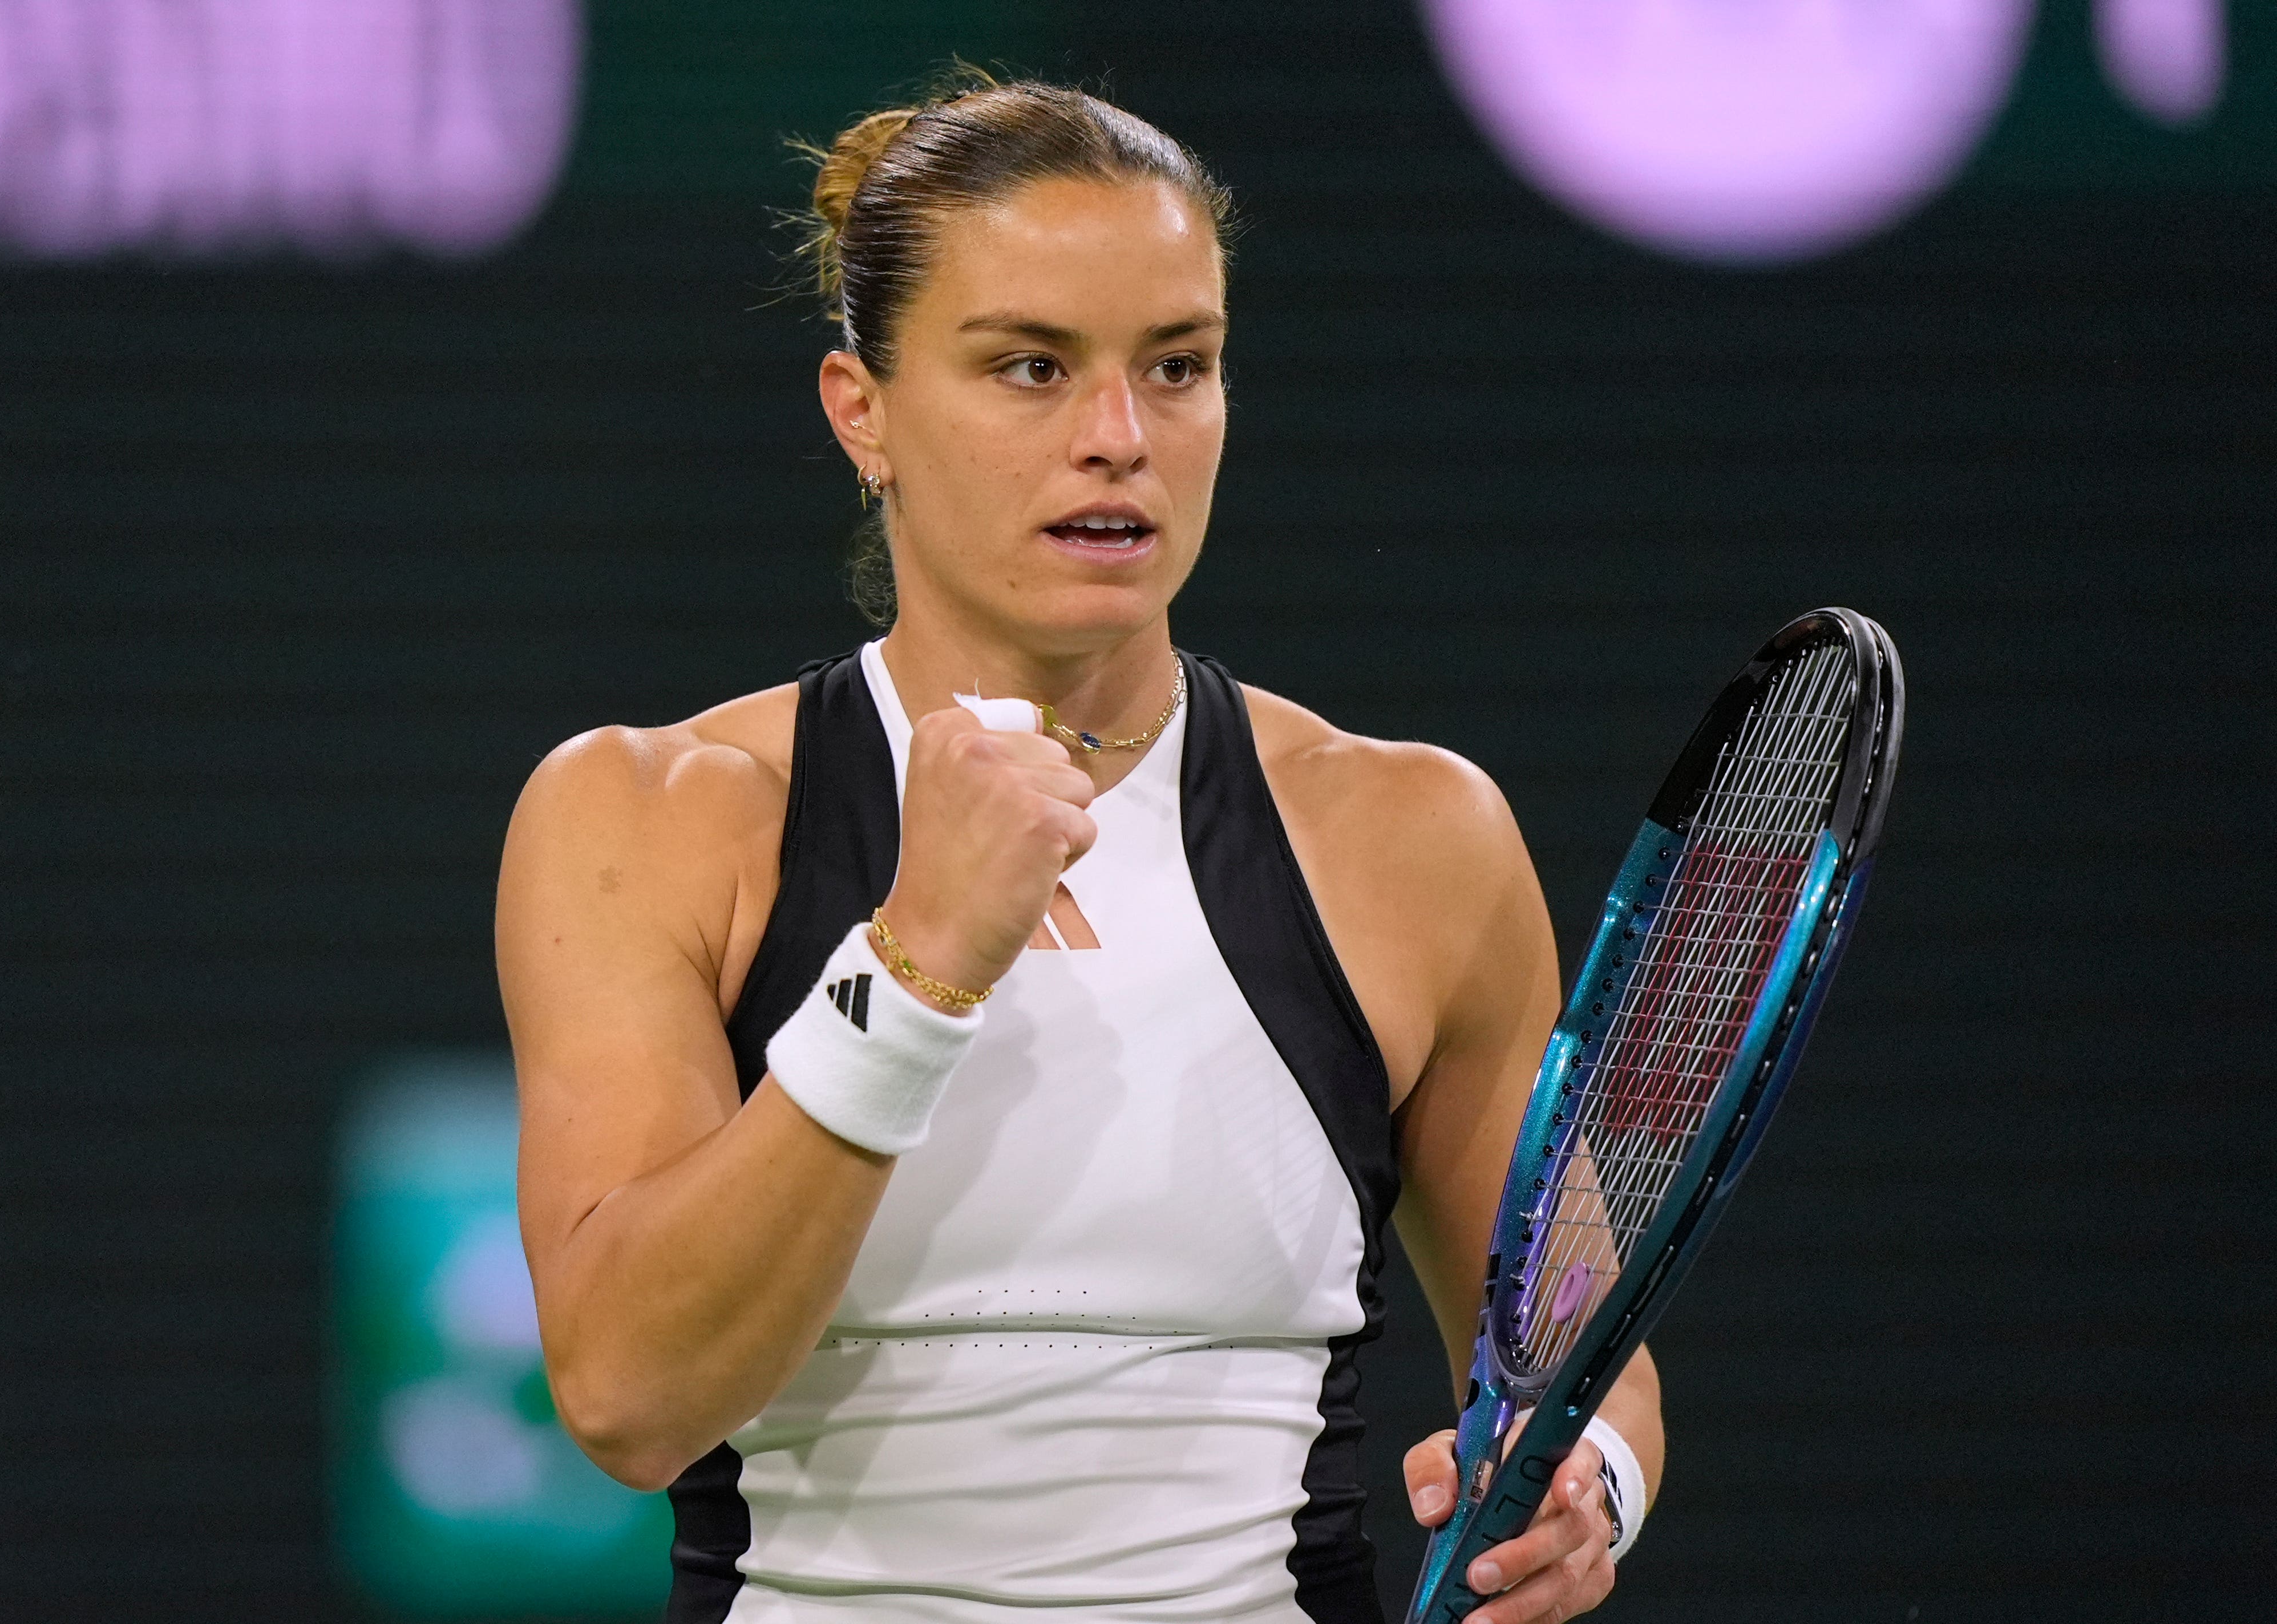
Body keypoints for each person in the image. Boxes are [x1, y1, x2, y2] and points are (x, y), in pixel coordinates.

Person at [496, 75, 1664, 1624]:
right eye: (1032, 368)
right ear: (865, 411)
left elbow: (1588, 1363)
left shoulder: (1412, 837)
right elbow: (629, 1395)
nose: (1120, 438)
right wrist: (913, 974)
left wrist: (1594, 1494)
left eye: (1178, 367)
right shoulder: (649, 818)